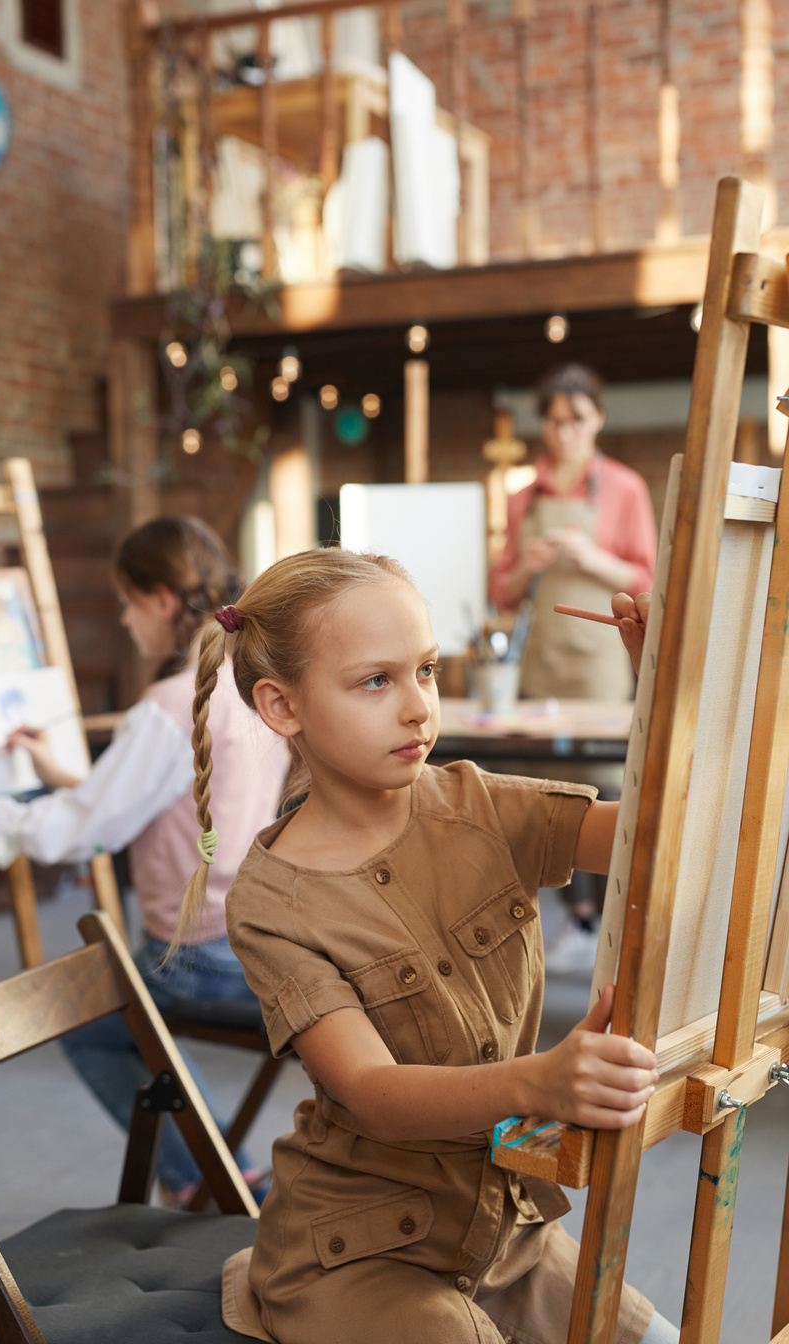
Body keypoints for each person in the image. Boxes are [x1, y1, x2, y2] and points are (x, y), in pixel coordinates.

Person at [175, 548, 676, 1344]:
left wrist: (668, 690)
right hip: (357, 1253)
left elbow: (651, 840)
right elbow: (372, 1091)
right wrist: (539, 1083)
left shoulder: (476, 801)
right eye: (377, 681)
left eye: (429, 671)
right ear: (281, 706)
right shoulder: (271, 901)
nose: (418, 708)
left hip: (504, 1235)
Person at [0, 515, 289, 1204]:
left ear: (163, 600)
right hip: (266, 936)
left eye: (128, 602)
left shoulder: (173, 706)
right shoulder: (246, 681)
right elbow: (155, 798)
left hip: (200, 955)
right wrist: (66, 777)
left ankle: (207, 1175)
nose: (124, 619)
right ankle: (221, 1167)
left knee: (89, 1019)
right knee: (128, 1020)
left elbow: (79, 835)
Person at [490, 364, 658, 974]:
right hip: (540, 664)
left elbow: (647, 578)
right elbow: (502, 591)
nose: (562, 432)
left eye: (576, 420)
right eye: (554, 421)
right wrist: (527, 564)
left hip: (600, 663)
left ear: (598, 420)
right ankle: (554, 921)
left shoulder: (623, 488)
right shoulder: (522, 494)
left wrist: (592, 556)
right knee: (540, 787)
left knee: (602, 782)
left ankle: (599, 923)